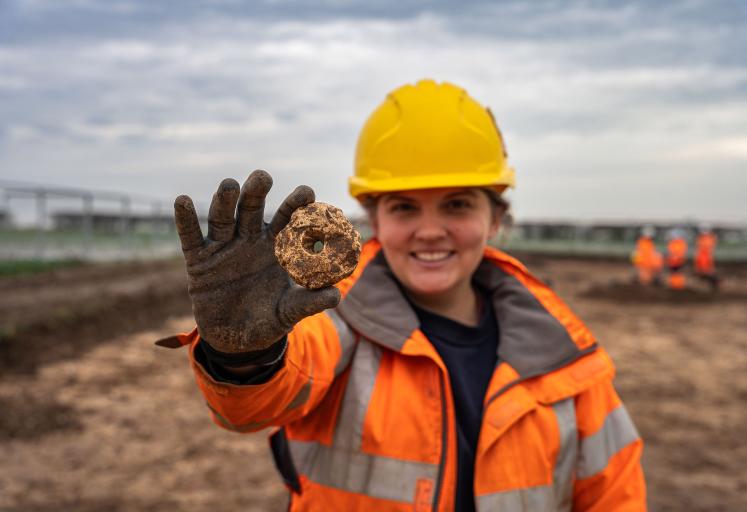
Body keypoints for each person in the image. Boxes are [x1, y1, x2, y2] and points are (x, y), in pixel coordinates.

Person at [161, 79, 647, 511]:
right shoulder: (333, 319)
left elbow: (615, 495)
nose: (430, 231)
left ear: (495, 219)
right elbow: (252, 408)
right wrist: (245, 357)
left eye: (457, 204)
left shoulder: (565, 356)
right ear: (375, 220)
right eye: (404, 207)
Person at [693, 225, 719, 291]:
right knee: (704, 273)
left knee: (707, 273)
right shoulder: (702, 239)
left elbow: (708, 248)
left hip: (705, 258)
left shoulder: (707, 239)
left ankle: (711, 286)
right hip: (703, 258)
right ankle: (707, 286)